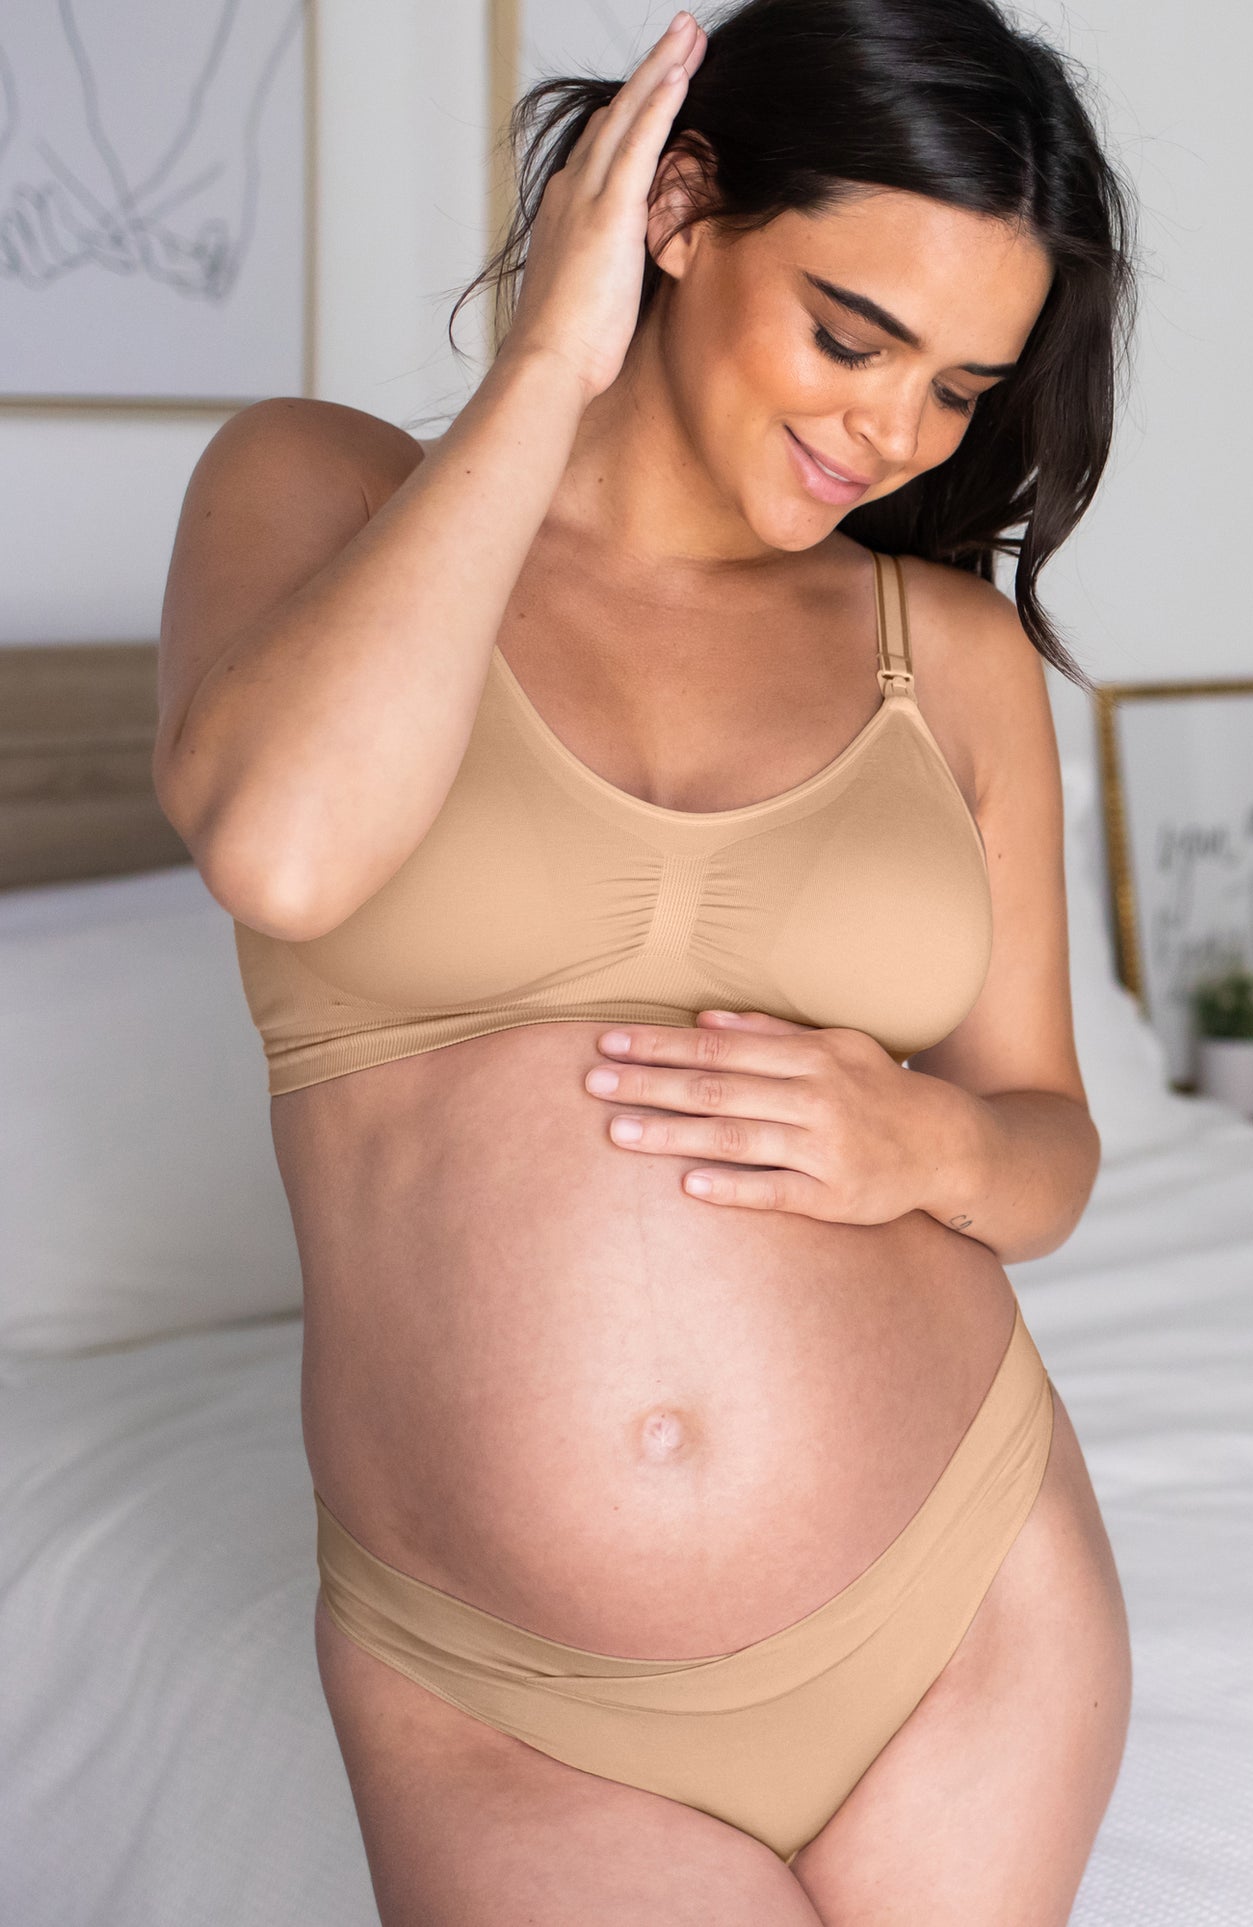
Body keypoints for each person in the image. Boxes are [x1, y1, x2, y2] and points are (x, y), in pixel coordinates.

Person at [154, 2, 1139, 1919]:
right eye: (851, 333)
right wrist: (547, 364)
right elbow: (280, 846)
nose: (888, 430)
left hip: (964, 1604)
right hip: (515, 1701)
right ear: (677, 209)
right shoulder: (313, 490)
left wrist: (923, 1150)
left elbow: (1044, 1145)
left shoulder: (946, 649)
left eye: (952, 389)